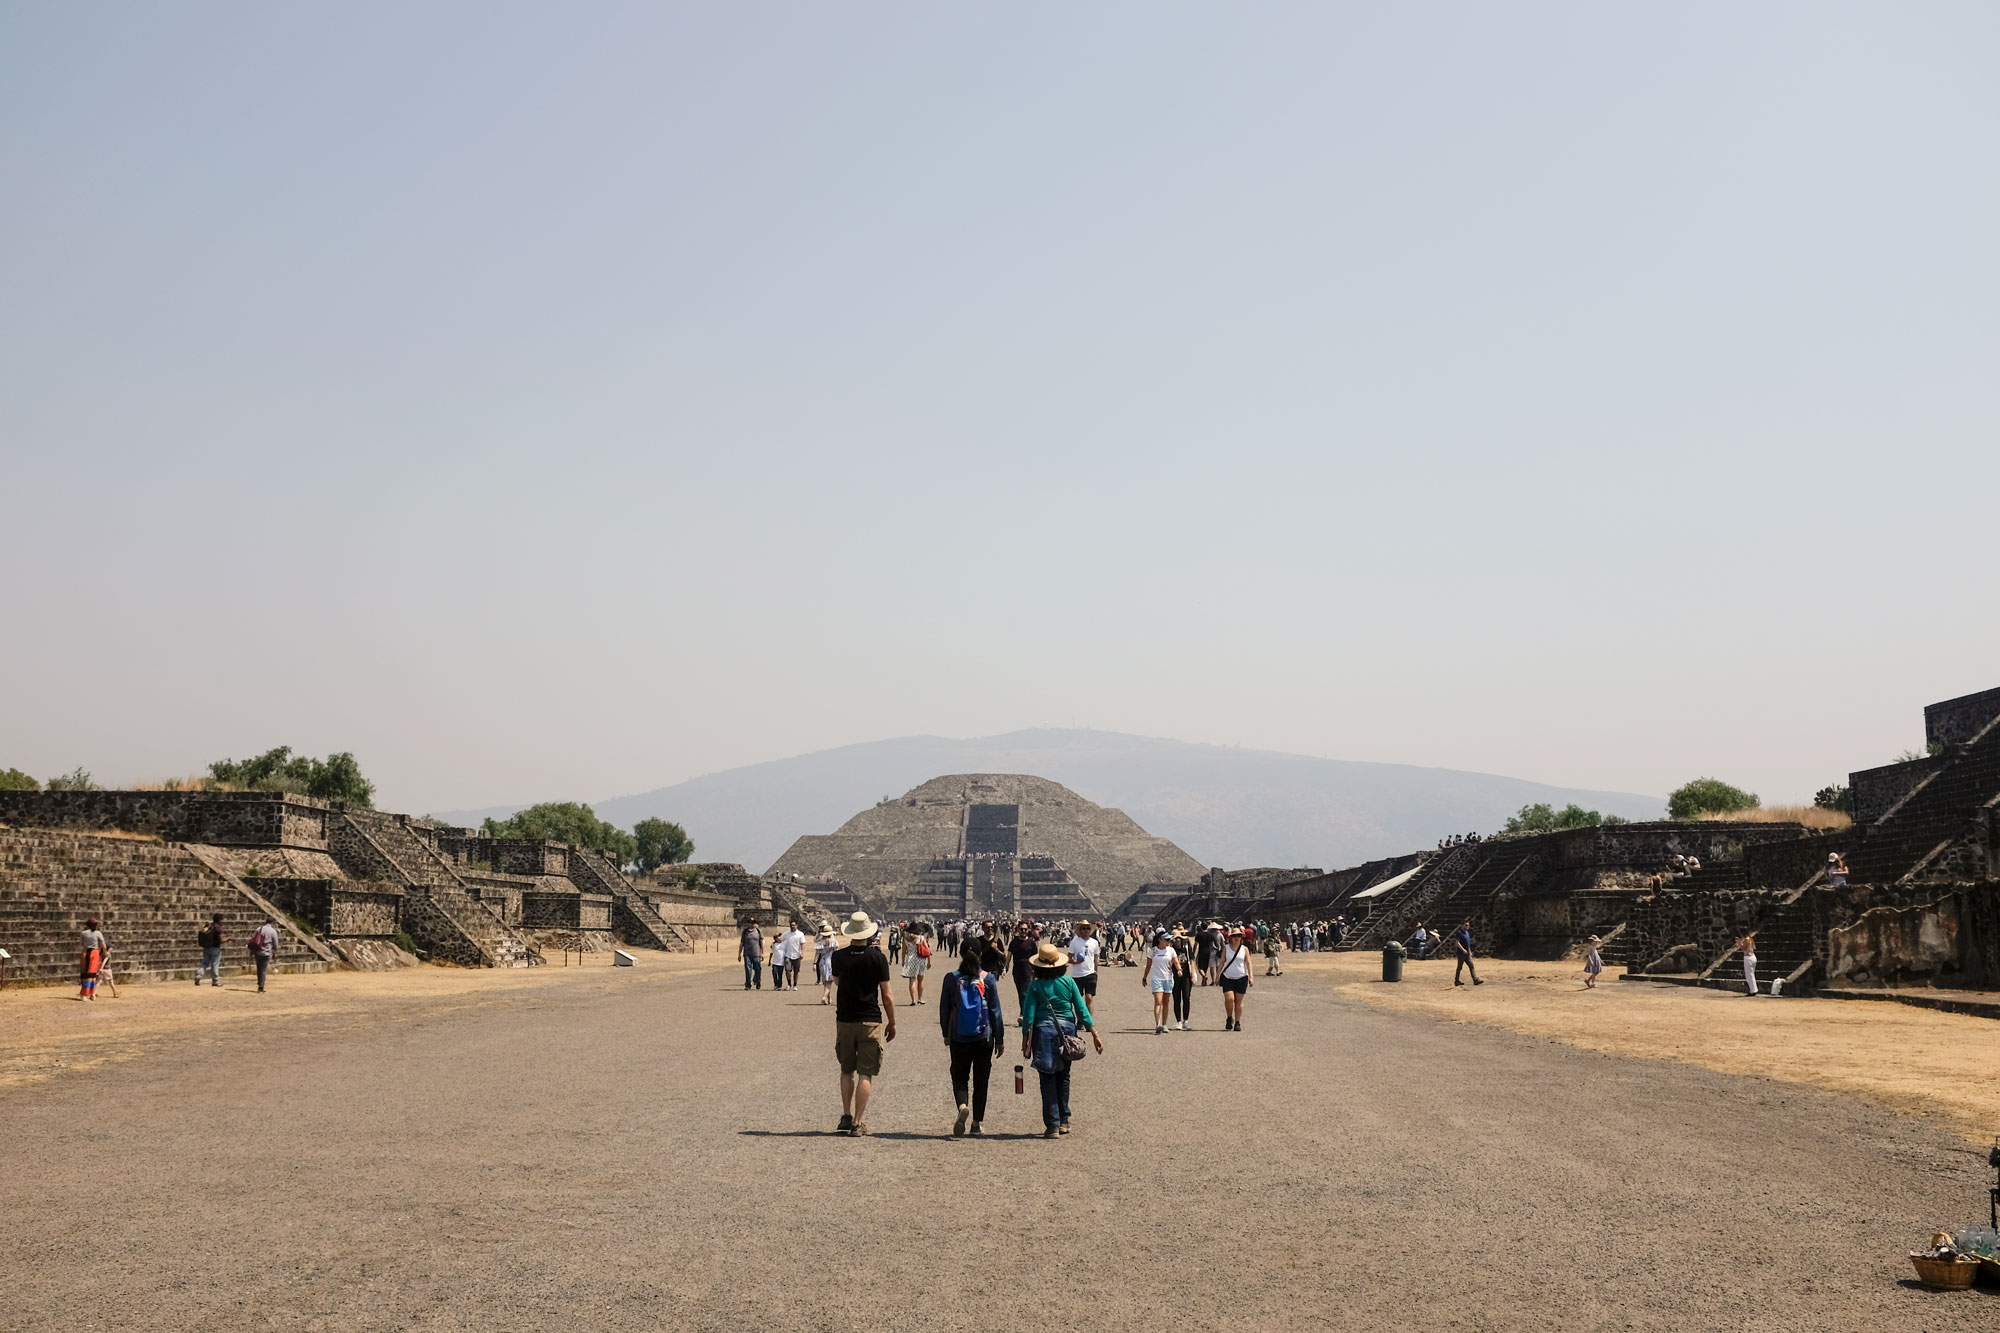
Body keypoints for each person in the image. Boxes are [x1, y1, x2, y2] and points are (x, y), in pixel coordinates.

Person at [1021, 941, 1101, 1137]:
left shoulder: (1035, 986)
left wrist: (1025, 1038)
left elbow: (1028, 1015)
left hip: (1043, 1032)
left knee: (1047, 1076)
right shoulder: (1069, 982)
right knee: (1063, 1076)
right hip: (1067, 1029)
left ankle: (1053, 1124)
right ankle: (1064, 1119)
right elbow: (1081, 1010)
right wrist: (1094, 1033)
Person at [830, 911, 896, 1136]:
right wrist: (892, 1022)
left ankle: (846, 1115)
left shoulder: (838, 957)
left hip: (845, 1020)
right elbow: (887, 995)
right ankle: (858, 1123)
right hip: (870, 1020)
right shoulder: (878, 958)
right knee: (865, 1073)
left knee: (846, 1070)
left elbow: (837, 981)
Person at [939, 941, 1006, 1137]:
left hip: (959, 1036)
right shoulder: (988, 979)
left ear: (960, 953)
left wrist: (946, 1033)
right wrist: (1000, 1039)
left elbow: (944, 1009)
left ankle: (962, 1106)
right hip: (984, 1037)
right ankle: (976, 1123)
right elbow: (996, 1012)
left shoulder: (951, 979)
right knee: (981, 1080)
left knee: (959, 1075)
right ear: (980, 955)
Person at [1218, 928, 1253, 1031]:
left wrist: (1251, 976)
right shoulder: (1226, 948)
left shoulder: (1245, 949)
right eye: (1234, 936)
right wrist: (1217, 975)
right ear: (1231, 937)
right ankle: (1229, 1017)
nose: (1236, 938)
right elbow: (1222, 962)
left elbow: (1248, 963)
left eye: (1238, 936)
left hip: (1241, 977)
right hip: (1227, 977)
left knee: (1238, 1002)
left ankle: (1237, 1022)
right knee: (1229, 999)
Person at [1144, 930, 1178, 1034]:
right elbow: (1148, 965)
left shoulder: (1171, 950)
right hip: (1157, 979)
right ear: (1160, 939)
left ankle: (1164, 1024)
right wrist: (1144, 977)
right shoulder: (1153, 951)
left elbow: (1175, 961)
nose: (1169, 941)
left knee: (1166, 1002)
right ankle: (1158, 1024)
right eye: (1167, 939)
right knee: (1158, 1001)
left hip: (1168, 979)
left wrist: (1179, 969)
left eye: (1169, 939)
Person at [1066, 920, 1101, 1014]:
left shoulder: (1095, 942)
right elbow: (1068, 958)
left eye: (1088, 928)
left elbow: (1096, 959)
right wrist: (1076, 961)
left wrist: (1095, 972)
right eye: (1083, 928)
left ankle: (1089, 1022)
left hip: (1090, 974)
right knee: (1078, 1000)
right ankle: (1080, 1020)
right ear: (1080, 930)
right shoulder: (1074, 942)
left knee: (1089, 997)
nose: (1086, 930)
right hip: (1077, 974)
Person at [1169, 927, 1194, 1030]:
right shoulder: (1170, 950)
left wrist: (1194, 973)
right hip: (1174, 977)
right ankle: (1178, 1021)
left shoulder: (1187, 948)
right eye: (1174, 940)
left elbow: (1192, 960)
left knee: (1186, 997)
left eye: (1178, 939)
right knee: (1176, 999)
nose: (1177, 941)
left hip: (1186, 976)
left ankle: (1186, 1021)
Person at [78, 917, 108, 1001]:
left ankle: (85, 993)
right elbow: (103, 946)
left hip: (85, 952)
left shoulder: (83, 933)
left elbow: (82, 944)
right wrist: (104, 954)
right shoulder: (98, 933)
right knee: (92, 974)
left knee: (85, 974)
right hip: (95, 953)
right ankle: (91, 993)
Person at [248, 916, 279, 993]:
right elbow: (275, 944)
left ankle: (259, 981)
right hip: (266, 952)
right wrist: (275, 950)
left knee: (259, 968)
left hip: (258, 951)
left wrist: (252, 951)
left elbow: (253, 939)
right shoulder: (273, 931)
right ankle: (261, 986)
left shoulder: (259, 929)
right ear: (272, 923)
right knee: (263, 969)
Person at [902, 927, 931, 1006]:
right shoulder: (921, 938)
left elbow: (903, 951)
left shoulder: (906, 939)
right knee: (920, 980)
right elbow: (927, 950)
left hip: (910, 960)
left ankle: (913, 1000)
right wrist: (929, 962)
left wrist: (903, 962)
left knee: (912, 981)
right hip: (921, 959)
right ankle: (920, 999)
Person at [197, 913, 226, 987]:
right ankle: (215, 981)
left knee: (205, 963)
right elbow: (222, 940)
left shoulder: (209, 926)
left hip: (207, 947)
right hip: (215, 948)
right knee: (215, 964)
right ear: (219, 920)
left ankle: (199, 975)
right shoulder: (218, 928)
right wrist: (228, 938)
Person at [1451, 919, 1482, 987]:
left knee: (1471, 966)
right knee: (1459, 967)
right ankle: (1457, 981)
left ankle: (1475, 979)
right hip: (1461, 953)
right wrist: (1463, 950)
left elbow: (1468, 944)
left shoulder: (1467, 933)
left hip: (1467, 953)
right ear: (1462, 925)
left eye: (1468, 925)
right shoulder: (1459, 933)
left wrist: (1469, 951)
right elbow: (1457, 942)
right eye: (1466, 925)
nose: (1467, 926)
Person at [814, 923, 838, 1004]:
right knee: (829, 981)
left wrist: (814, 963)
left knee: (825, 981)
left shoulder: (820, 942)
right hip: (830, 961)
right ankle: (824, 997)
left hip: (822, 962)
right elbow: (836, 952)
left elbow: (817, 954)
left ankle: (829, 997)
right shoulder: (833, 941)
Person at [738, 920, 764, 991]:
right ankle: (748, 984)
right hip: (747, 954)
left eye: (753, 923)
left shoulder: (758, 931)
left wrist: (762, 953)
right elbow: (742, 943)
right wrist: (739, 954)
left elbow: (761, 943)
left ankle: (758, 981)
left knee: (757, 969)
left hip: (756, 953)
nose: (752, 924)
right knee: (747, 969)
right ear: (748, 923)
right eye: (750, 923)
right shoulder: (745, 932)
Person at [783, 921, 806, 990]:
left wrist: (802, 953)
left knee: (796, 971)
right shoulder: (786, 933)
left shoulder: (800, 934)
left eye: (794, 925)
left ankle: (795, 985)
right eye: (791, 925)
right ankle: (789, 984)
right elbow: (781, 939)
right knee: (787, 970)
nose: (792, 926)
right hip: (788, 954)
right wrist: (774, 943)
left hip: (797, 955)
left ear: (797, 925)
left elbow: (802, 944)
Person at [1738, 931, 1758, 997]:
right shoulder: (1750, 939)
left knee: (1749, 975)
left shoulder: (1747, 939)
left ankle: (1752, 990)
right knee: (1752, 974)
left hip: (1748, 957)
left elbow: (1743, 949)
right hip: (1753, 957)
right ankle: (1754, 989)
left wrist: (1740, 943)